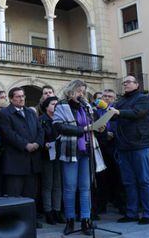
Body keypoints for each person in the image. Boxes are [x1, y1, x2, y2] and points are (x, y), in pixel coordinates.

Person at [53, 80, 103, 235]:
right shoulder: (61, 105)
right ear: (70, 91)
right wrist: (83, 129)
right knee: (69, 188)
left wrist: (98, 126)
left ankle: (85, 220)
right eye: (79, 91)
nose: (81, 94)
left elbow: (92, 123)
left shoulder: (86, 106)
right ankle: (69, 220)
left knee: (85, 187)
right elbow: (58, 126)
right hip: (70, 150)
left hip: (87, 150)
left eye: (83, 91)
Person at [109, 75, 149, 225]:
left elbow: (137, 113)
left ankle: (148, 214)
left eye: (128, 82)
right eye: (124, 83)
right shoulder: (121, 101)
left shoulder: (143, 98)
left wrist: (118, 112)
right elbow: (115, 117)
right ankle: (132, 213)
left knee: (144, 181)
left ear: (137, 84)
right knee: (128, 182)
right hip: (123, 146)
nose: (125, 84)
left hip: (140, 145)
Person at [0, 87, 44, 228]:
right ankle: (15, 221)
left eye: (23, 96)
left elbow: (40, 130)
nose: (21, 99)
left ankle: (30, 219)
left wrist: (37, 143)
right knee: (15, 194)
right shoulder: (5, 113)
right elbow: (8, 133)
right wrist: (25, 145)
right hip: (15, 160)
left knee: (31, 193)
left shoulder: (30, 112)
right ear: (11, 99)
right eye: (18, 96)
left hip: (32, 160)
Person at [94, 89, 125, 215]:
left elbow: (121, 125)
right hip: (101, 146)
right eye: (104, 96)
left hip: (115, 146)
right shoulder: (96, 110)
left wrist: (112, 133)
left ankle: (121, 204)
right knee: (102, 177)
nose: (106, 98)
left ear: (114, 98)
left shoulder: (116, 110)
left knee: (118, 176)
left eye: (110, 96)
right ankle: (102, 205)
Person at [39, 96, 65, 225]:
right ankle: (48, 211)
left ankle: (57, 210)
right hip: (47, 155)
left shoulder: (60, 119)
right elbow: (39, 137)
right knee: (48, 185)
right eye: (53, 104)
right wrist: (45, 144)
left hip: (60, 155)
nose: (56, 106)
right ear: (46, 106)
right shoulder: (42, 120)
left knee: (58, 185)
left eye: (57, 104)